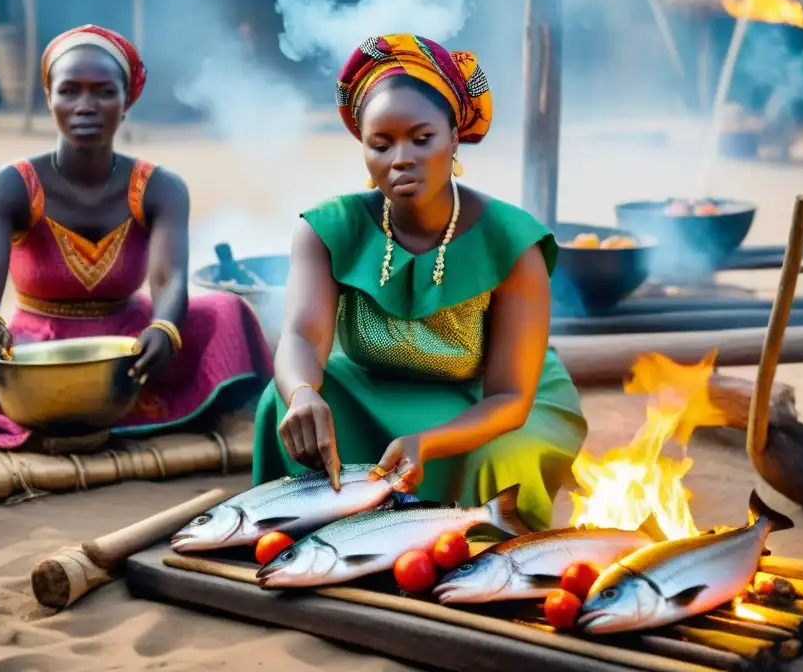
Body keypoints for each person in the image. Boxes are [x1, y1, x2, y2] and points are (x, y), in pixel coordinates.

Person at [252, 33, 588, 531]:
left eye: (421, 138)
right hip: (379, 387)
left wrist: (427, 443)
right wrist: (303, 391)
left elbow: (509, 399)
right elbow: (302, 336)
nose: (401, 158)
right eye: (381, 144)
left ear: (454, 137)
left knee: (497, 460)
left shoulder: (511, 243)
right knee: (283, 401)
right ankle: (314, 535)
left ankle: (472, 561)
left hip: (492, 402)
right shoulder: (327, 229)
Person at [0, 24, 274, 451]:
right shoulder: (11, 185)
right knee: (18, 373)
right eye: (69, 90)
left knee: (226, 310)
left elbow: (169, 279)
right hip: (41, 348)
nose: (85, 105)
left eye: (103, 92)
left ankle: (199, 409)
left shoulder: (160, 187)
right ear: (49, 97)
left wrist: (164, 328)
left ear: (127, 101)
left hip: (131, 343)